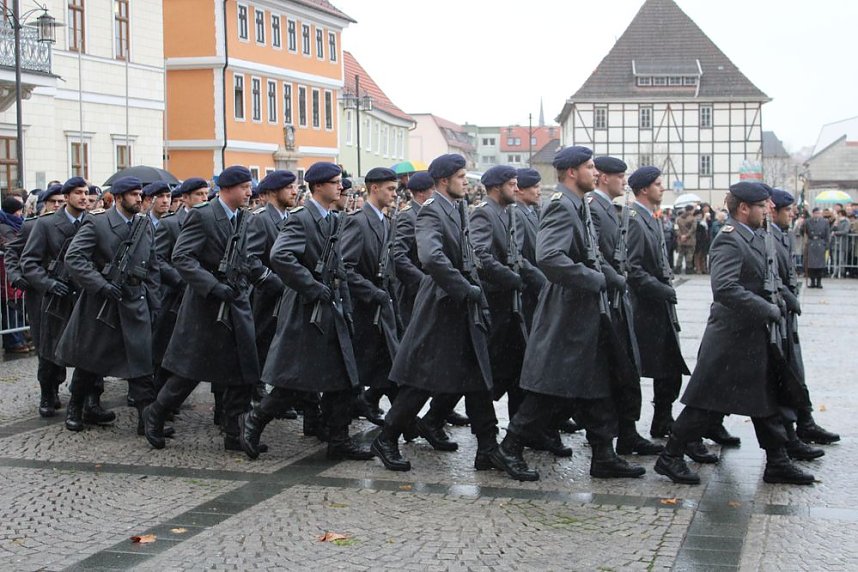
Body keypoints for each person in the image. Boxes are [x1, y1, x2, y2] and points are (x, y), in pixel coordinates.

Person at [496, 146, 646, 482]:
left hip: (585, 310)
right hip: (567, 310)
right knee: (550, 388)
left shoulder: (579, 204)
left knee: (596, 382)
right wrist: (595, 280)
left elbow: (591, 255)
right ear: (571, 173)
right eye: (590, 167)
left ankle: (604, 455)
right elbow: (549, 257)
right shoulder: (562, 206)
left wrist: (613, 277)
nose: (596, 173)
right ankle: (510, 446)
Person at [655, 181, 814, 486]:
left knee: (765, 396)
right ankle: (671, 456)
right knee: (705, 402)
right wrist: (765, 308)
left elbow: (763, 279)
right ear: (744, 208)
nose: (768, 209)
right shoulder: (729, 239)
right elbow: (725, 289)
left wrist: (781, 297)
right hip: (730, 337)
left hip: (751, 336)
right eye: (762, 205)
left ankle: (777, 462)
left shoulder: (754, 237)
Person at [371, 153, 512, 476]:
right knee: (423, 378)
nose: (466, 181)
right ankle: (387, 436)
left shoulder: (457, 209)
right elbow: (431, 256)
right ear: (445, 180)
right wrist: (464, 288)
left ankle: (488, 447)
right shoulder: (432, 212)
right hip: (442, 304)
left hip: (460, 304)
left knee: (476, 375)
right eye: (462, 176)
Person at [238, 162, 372, 461]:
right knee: (294, 381)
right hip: (306, 309)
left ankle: (338, 439)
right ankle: (254, 420)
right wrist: (311, 286)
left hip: (331, 306)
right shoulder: (302, 218)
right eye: (335, 182)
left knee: (343, 377)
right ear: (319, 187)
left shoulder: (333, 219)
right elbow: (280, 256)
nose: (341, 187)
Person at [144, 166, 258, 452]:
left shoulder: (243, 218)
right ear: (228, 189)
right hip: (206, 306)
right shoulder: (203, 215)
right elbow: (182, 256)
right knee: (189, 371)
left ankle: (234, 433)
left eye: (250, 187)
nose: (249, 192)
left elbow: (246, 256)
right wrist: (211, 285)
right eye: (244, 187)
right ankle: (155, 414)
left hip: (235, 302)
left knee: (240, 371)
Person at [56, 176, 160, 434]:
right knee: (90, 359)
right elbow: (75, 258)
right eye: (134, 194)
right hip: (102, 303)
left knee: (141, 362)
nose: (139, 198)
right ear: (119, 196)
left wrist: (152, 299)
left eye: (141, 194)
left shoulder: (144, 225)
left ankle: (146, 419)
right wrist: (100, 284)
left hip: (134, 300)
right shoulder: (97, 222)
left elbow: (153, 265)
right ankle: (76, 406)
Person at [589, 156, 662, 456]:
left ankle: (627, 432)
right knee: (610, 372)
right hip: (605, 297)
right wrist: (614, 278)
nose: (624, 182)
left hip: (618, 298)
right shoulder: (593, 208)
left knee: (626, 370)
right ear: (604, 178)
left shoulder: (611, 209)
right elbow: (593, 252)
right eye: (619, 177)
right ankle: (605, 443)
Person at [470, 166, 545, 428]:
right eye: (512, 184)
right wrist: (511, 278)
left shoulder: (505, 213)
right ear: (496, 186)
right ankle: (439, 418)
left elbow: (515, 255)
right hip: (495, 301)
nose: (517, 188)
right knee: (485, 372)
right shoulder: (484, 213)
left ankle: (521, 429)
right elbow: (480, 255)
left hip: (511, 304)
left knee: (516, 369)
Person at [769, 189, 840, 448]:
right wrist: (789, 298)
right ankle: (790, 435)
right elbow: (772, 276)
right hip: (775, 315)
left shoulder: (782, 235)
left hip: (786, 316)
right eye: (787, 210)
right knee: (780, 376)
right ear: (773, 210)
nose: (792, 214)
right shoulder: (769, 237)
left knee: (794, 371)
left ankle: (804, 423)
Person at [341, 167, 401, 426]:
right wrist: (372, 292)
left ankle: (400, 422)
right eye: (390, 189)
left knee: (387, 367)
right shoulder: (359, 220)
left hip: (381, 306)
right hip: (362, 308)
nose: (394, 194)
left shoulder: (385, 221)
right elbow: (346, 268)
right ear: (373, 188)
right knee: (355, 370)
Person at [151, 177, 210, 400]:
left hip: (202, 294)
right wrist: (181, 279)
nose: (204, 199)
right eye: (199, 195)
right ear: (184, 198)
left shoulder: (210, 221)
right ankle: (158, 400)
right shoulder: (170, 224)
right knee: (167, 351)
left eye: (206, 194)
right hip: (176, 296)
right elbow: (158, 258)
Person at [393, 171, 434, 328]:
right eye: (432, 190)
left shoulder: (426, 214)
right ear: (421, 193)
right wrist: (422, 280)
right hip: (412, 291)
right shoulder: (408, 216)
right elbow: (398, 255)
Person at [512, 168, 546, 331]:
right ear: (521, 189)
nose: (539, 192)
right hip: (528, 291)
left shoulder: (531, 213)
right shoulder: (517, 214)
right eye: (535, 187)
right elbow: (516, 254)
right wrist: (538, 278)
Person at [1, 196, 28, 354]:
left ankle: (19, 337)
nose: (21, 214)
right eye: (19, 210)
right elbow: (11, 246)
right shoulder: (5, 227)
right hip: (7, 274)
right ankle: (14, 341)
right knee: (12, 308)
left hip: (13, 273)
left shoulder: (14, 224)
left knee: (17, 307)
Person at [802, 208, 829, 288]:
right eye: (815, 213)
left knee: (820, 265)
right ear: (812, 213)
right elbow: (803, 231)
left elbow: (827, 234)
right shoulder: (807, 221)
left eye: (818, 213)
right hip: (811, 243)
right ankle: (812, 281)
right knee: (811, 265)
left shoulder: (825, 222)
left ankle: (819, 282)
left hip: (820, 243)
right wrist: (802, 225)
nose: (817, 215)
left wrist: (826, 244)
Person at [674, 205, 696, 274]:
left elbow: (676, 228)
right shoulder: (693, 219)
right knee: (689, 255)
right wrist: (686, 236)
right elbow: (693, 229)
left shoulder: (678, 219)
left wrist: (681, 236)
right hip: (690, 240)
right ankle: (688, 269)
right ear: (691, 210)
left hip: (680, 240)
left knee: (680, 255)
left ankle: (678, 268)